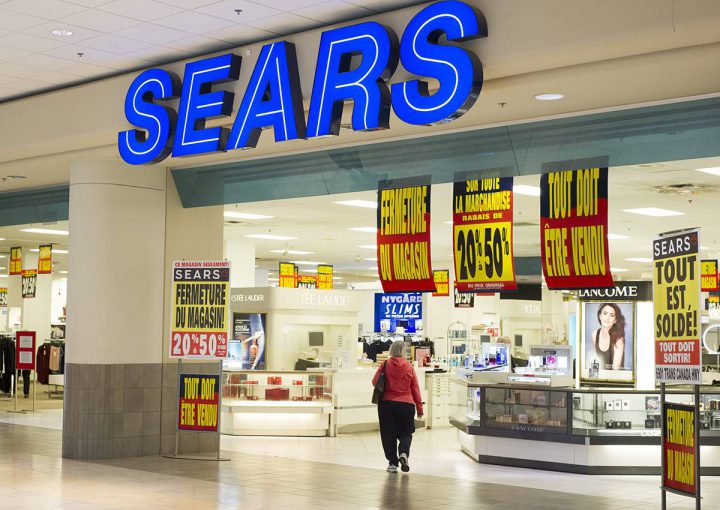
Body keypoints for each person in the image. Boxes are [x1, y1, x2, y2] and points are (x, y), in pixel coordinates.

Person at [372, 340, 423, 473]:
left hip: (386, 404)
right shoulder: (409, 366)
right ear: (403, 351)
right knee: (406, 432)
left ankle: (393, 463)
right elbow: (415, 388)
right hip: (406, 405)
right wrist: (420, 407)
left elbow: (374, 382)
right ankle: (404, 453)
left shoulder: (385, 364)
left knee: (388, 434)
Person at [591, 303, 626, 370]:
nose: (608, 318)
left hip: (616, 378)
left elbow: (615, 370)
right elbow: (597, 361)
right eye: (605, 313)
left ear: (615, 320)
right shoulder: (594, 334)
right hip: (602, 377)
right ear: (600, 316)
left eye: (612, 315)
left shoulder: (618, 340)